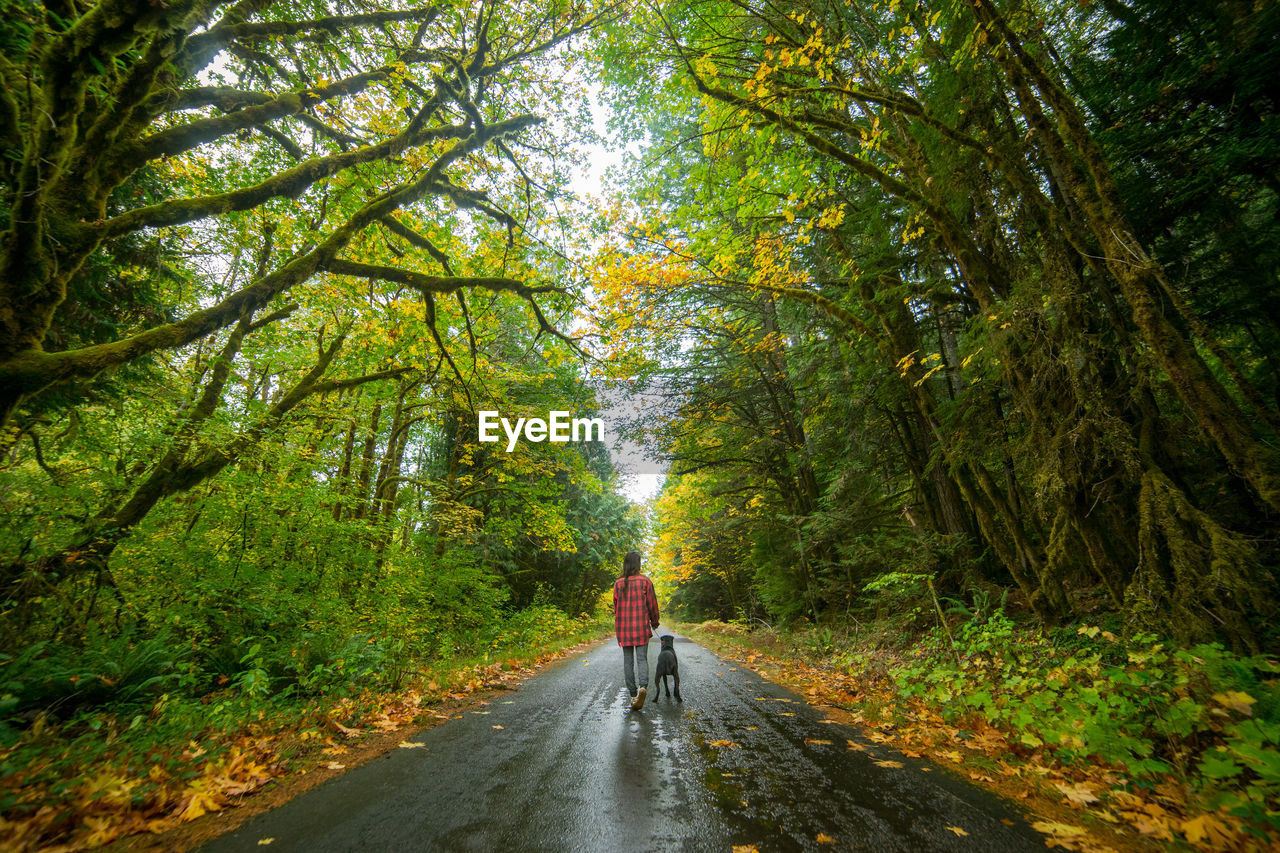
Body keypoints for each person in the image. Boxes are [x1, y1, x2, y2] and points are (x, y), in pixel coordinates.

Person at [613, 550, 659, 710]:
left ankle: (633, 695)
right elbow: (652, 604)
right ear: (638, 564)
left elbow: (616, 606)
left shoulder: (618, 584)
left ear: (625, 564)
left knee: (628, 660)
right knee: (642, 659)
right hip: (640, 627)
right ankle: (643, 688)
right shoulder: (645, 582)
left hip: (624, 629)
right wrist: (655, 621)